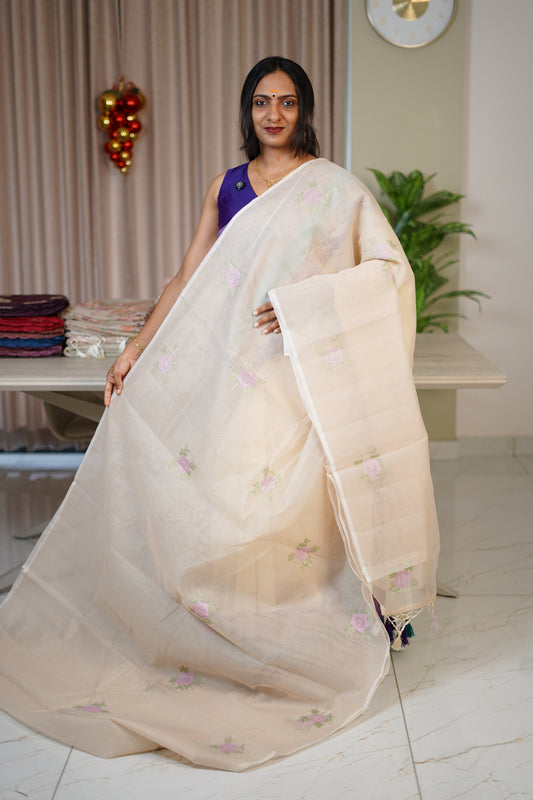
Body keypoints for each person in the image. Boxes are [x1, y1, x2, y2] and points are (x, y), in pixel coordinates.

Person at [0, 57, 439, 771]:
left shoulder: (332, 188)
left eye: (287, 102)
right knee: (224, 492)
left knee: (289, 504)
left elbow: (388, 273)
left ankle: (292, 619)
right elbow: (187, 277)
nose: (274, 114)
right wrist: (135, 349)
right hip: (224, 372)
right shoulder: (227, 186)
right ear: (247, 110)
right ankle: (217, 620)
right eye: (262, 102)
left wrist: (303, 305)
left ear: (305, 110)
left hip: (297, 375)